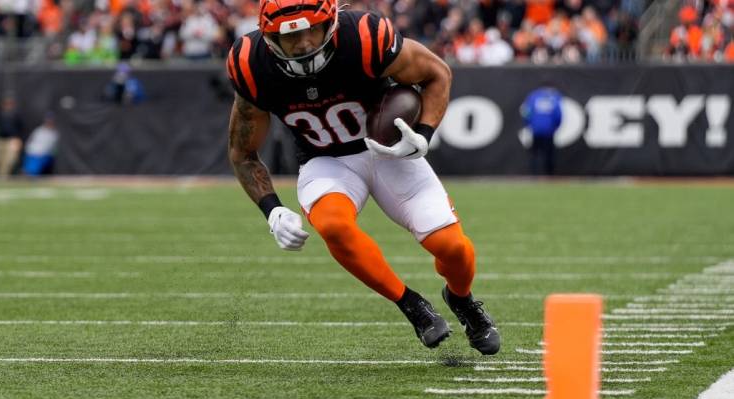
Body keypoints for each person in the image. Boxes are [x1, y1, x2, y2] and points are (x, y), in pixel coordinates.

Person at [225, 0, 500, 354]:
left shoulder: (364, 36)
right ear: (269, 36)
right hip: (326, 160)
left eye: (312, 29)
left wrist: (424, 135)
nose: (305, 43)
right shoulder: (252, 64)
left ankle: (461, 299)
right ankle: (412, 306)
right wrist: (272, 210)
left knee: (453, 249)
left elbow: (437, 73)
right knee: (333, 225)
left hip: (389, 153)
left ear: (331, 23)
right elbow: (243, 153)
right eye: (290, 35)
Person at [521, 83, 562, 175]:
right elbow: (558, 115)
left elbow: (526, 112)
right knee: (549, 155)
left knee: (534, 154)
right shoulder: (554, 97)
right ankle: (548, 177)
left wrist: (528, 124)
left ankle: (533, 175)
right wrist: (555, 127)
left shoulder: (533, 96)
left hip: (535, 130)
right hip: (549, 131)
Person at [0, 95, 24, 180]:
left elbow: (21, 129)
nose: (8, 105)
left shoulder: (16, 115)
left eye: (10, 103)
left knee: (9, 160)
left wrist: (18, 139)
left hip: (11, 140)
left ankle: (2, 178)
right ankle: (1, 176)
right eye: (6, 103)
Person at [22, 112, 59, 177]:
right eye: (48, 121)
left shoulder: (55, 133)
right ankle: (28, 174)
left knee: (36, 164)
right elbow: (31, 141)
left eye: (50, 121)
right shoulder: (39, 130)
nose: (49, 122)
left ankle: (31, 174)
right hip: (33, 153)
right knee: (31, 161)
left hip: (45, 155)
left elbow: (53, 147)